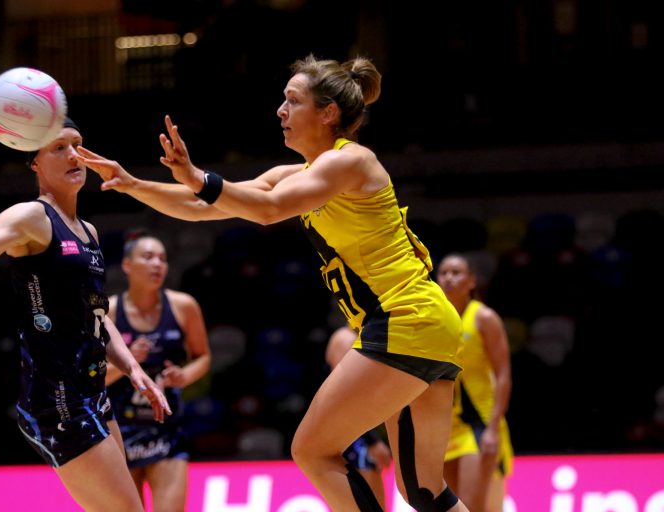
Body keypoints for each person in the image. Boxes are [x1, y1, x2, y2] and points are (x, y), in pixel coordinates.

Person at [75, 54, 469, 511]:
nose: (280, 111)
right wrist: (133, 184)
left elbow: (266, 210)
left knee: (312, 450)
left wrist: (198, 177)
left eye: (292, 101)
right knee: (422, 488)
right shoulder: (299, 174)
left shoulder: (351, 161)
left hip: (405, 320)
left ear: (328, 113)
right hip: (430, 325)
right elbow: (205, 206)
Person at [0, 117, 171, 512]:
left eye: (77, 144)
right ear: (34, 163)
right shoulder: (31, 217)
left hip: (93, 392)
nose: (73, 155)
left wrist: (133, 369)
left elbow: (98, 316)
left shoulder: (89, 232)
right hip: (57, 402)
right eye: (58, 148)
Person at [105, 231, 211, 512]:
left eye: (163, 259)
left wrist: (185, 375)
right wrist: (129, 364)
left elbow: (203, 357)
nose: (157, 265)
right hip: (120, 432)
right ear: (127, 265)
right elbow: (92, 378)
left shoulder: (183, 306)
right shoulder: (110, 313)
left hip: (167, 430)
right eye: (148, 257)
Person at [436, 253, 514, 512]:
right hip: (446, 427)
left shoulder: (484, 318)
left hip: (477, 425)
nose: (448, 278)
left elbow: (503, 374)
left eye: (456, 273)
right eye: (443, 273)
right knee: (446, 508)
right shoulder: (435, 320)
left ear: (471, 281)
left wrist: (493, 427)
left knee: (472, 506)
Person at [326, 326, 393, 510]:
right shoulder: (345, 339)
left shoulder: (367, 337)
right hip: (350, 435)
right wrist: (371, 441)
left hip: (357, 429)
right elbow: (345, 397)